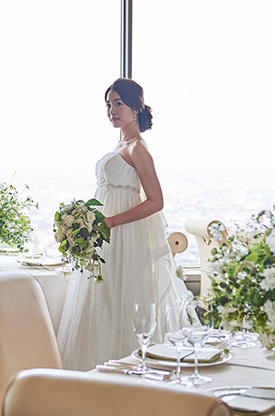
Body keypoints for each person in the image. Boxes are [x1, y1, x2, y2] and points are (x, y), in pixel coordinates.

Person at [57, 78, 193, 371]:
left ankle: (129, 376)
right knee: (101, 303)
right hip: (106, 236)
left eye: (118, 103)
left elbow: (156, 201)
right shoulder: (121, 144)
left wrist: (111, 221)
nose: (112, 110)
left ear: (136, 107)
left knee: (121, 301)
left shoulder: (137, 148)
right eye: (108, 104)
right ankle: (92, 376)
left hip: (123, 235)